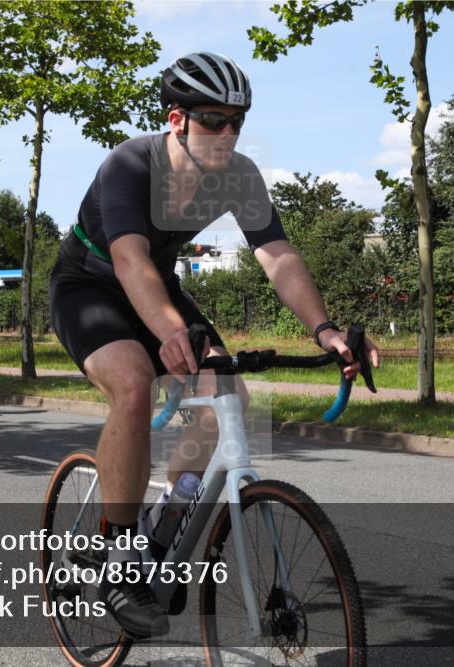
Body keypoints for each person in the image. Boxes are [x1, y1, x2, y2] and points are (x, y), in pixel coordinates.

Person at [49, 51, 379, 638]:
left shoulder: (239, 175)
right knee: (131, 383)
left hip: (159, 286)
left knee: (230, 396)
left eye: (237, 122)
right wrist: (172, 333)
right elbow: (129, 258)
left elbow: (276, 256)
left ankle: (167, 523)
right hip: (91, 284)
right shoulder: (130, 163)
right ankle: (121, 555)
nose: (226, 134)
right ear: (176, 119)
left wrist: (324, 329)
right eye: (212, 120)